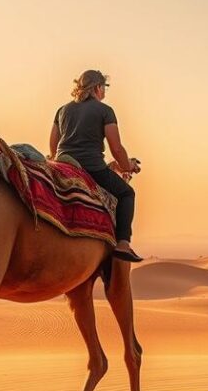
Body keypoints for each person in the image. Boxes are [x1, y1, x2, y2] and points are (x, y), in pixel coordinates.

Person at [50, 70, 143, 262]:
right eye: (105, 88)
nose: (105, 92)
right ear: (98, 88)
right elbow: (116, 148)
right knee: (127, 194)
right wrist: (127, 166)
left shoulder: (62, 110)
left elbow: (53, 145)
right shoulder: (105, 111)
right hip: (91, 167)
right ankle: (123, 244)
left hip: (63, 165)